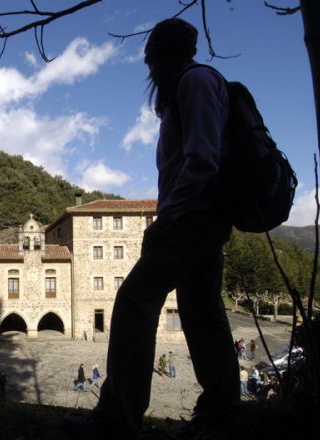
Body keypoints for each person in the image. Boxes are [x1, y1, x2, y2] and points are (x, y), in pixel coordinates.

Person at [63, 17, 240, 440]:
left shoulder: (194, 82)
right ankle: (222, 412)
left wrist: (167, 217)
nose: (150, 69)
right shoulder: (191, 86)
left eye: (151, 58)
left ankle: (117, 418)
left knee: (134, 300)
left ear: (162, 54)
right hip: (203, 218)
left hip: (191, 217)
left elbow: (201, 159)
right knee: (202, 313)